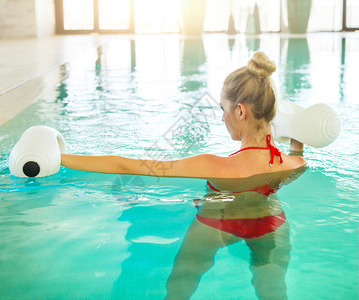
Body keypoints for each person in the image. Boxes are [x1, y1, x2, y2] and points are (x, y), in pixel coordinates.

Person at [61, 51, 307, 299]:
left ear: (240, 111)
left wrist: (59, 157)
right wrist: (297, 146)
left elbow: (127, 167)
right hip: (271, 222)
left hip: (218, 223)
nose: (223, 117)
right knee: (275, 293)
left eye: (224, 109)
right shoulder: (293, 163)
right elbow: (294, 158)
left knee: (179, 286)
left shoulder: (214, 165)